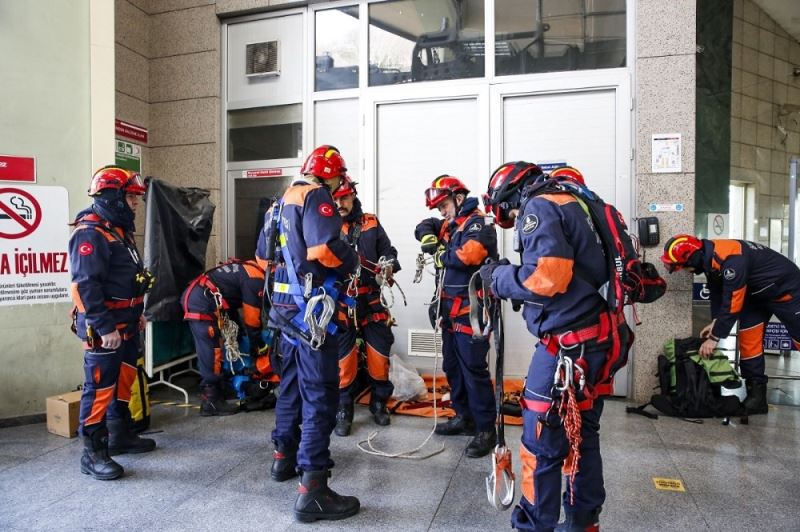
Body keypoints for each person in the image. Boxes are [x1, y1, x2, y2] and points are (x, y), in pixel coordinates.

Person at [480, 162, 616, 532]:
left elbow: (550, 275)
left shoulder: (539, 206)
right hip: (596, 341)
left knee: (540, 440)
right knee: (582, 435)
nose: (511, 217)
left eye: (507, 211)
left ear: (510, 195)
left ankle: (534, 524)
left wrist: (499, 278)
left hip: (566, 348)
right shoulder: (577, 201)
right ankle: (583, 523)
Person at [266, 145, 361, 523]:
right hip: (313, 316)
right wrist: (352, 262)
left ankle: (282, 459)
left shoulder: (281, 201)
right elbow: (325, 249)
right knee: (321, 394)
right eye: (339, 177)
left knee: (289, 388)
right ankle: (314, 489)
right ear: (329, 175)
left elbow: (262, 257)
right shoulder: (316, 195)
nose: (340, 185)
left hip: (285, 314)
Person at [68, 166, 156, 481]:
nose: (135, 203)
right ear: (112, 195)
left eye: (136, 197)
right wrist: (104, 328)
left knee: (125, 379)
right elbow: (85, 286)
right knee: (100, 388)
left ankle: (121, 435)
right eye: (131, 197)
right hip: (104, 328)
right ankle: (93, 454)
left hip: (128, 322)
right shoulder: (90, 232)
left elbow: (128, 276)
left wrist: (138, 312)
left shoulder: (118, 229)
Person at [661, 234, 800, 414]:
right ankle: (756, 399)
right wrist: (715, 321)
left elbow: (733, 301)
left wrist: (714, 338)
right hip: (756, 296)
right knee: (749, 343)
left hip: (788, 291)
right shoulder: (709, 261)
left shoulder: (731, 259)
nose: (685, 271)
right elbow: (719, 295)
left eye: (682, 266)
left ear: (692, 257)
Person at [413, 175, 498, 458]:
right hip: (449, 311)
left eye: (444, 205)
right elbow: (424, 226)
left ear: (458, 199)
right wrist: (428, 236)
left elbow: (469, 256)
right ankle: (464, 417)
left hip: (472, 311)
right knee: (452, 366)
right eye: (438, 208)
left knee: (474, 369)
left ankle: (486, 429)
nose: (441, 212)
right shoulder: (450, 224)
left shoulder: (479, 223)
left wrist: (440, 255)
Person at [330, 176, 400, 436]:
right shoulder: (326, 225)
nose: (340, 203)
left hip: (370, 298)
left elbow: (389, 251)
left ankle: (379, 402)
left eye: (344, 198)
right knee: (343, 360)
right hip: (340, 300)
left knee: (379, 355)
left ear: (353, 196)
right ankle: (344, 408)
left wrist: (388, 264)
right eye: (335, 199)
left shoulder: (370, 222)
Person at [182, 259, 267, 416]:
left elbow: (230, 300)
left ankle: (220, 389)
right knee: (211, 350)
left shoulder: (249, 268)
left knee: (214, 346)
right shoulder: (256, 280)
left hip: (201, 297)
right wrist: (259, 346)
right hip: (202, 303)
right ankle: (211, 402)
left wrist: (240, 332)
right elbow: (253, 320)